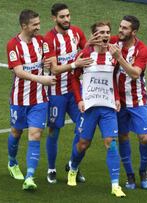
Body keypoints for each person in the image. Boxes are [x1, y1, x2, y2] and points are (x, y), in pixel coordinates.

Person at [67, 21, 126, 198]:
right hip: (90, 107)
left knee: (111, 143)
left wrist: (116, 98)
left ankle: (115, 185)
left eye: (108, 32)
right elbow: (74, 79)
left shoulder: (114, 54)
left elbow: (113, 78)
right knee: (83, 144)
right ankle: (73, 168)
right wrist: (79, 100)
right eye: (101, 32)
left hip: (107, 108)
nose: (106, 35)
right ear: (94, 35)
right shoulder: (85, 54)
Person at [43, 3, 95, 184]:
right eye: (62, 17)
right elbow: (56, 69)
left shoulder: (77, 33)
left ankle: (73, 164)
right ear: (54, 18)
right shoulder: (48, 40)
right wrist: (75, 64)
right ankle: (51, 169)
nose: (67, 19)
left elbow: (87, 51)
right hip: (56, 93)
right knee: (53, 131)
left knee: (83, 130)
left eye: (68, 16)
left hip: (75, 92)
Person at [6, 9, 56, 190]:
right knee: (16, 133)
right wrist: (42, 79)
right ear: (24, 26)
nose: (38, 27)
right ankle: (12, 163)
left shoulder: (41, 42)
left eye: (38, 23)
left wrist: (48, 65)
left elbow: (48, 62)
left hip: (40, 99)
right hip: (19, 99)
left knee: (35, 135)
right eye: (34, 24)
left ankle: (30, 177)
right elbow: (18, 71)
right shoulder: (13, 45)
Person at [109, 15, 147, 190]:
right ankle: (130, 175)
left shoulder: (142, 49)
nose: (120, 30)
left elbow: (135, 74)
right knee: (123, 136)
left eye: (125, 28)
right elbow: (93, 41)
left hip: (137, 100)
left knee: (144, 138)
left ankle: (143, 170)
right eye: (120, 26)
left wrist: (119, 58)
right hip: (118, 101)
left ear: (134, 32)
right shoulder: (113, 42)